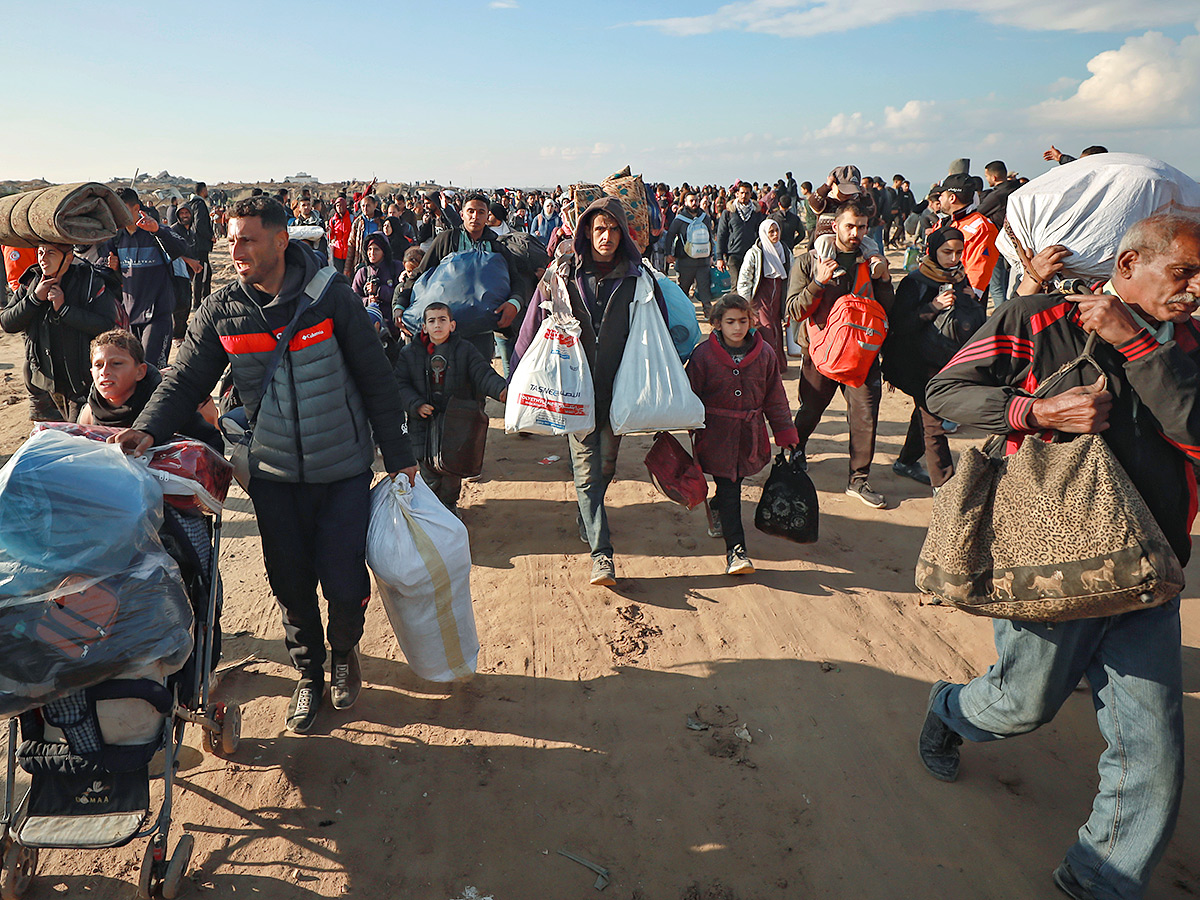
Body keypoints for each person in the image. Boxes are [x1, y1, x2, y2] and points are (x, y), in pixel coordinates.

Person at [919, 214, 1200, 900]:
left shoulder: (1188, 342)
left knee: (1154, 757)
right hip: (1049, 561)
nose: (1195, 291)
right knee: (1021, 705)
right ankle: (950, 710)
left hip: (1148, 570)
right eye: (1184, 272)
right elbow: (945, 394)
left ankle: (1096, 878)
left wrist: (1135, 344)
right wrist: (1035, 413)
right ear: (1129, 264)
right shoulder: (1042, 318)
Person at [109, 196, 417, 735]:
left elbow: (376, 377)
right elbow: (183, 381)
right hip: (272, 476)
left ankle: (344, 654)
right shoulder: (222, 310)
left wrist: (399, 457)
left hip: (342, 468)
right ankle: (309, 677)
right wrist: (149, 428)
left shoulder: (331, 298)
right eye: (232, 237)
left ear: (282, 241)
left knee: (344, 581)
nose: (236, 248)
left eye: (248, 238)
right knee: (290, 582)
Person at [511, 196, 668, 587]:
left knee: (607, 465)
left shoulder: (639, 278)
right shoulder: (562, 275)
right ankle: (602, 554)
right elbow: (532, 325)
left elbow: (658, 328)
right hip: (576, 390)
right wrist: (516, 374)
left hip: (618, 388)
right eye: (600, 229)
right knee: (585, 470)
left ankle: (588, 510)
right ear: (586, 232)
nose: (607, 236)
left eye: (615, 229)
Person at [786, 198, 894, 508]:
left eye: (861, 227)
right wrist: (819, 281)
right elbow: (795, 310)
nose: (855, 233)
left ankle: (858, 480)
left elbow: (887, 311)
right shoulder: (808, 262)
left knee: (865, 417)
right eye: (849, 226)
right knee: (810, 409)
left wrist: (884, 280)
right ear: (835, 226)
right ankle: (795, 448)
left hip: (863, 355)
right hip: (821, 354)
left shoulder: (871, 262)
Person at [686, 293, 797, 576]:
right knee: (730, 485)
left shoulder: (766, 355)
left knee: (731, 485)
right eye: (730, 321)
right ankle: (736, 551)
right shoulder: (702, 356)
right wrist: (687, 421)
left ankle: (719, 507)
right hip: (716, 434)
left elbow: (775, 396)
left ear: (752, 321)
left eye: (743, 321)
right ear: (716, 324)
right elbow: (690, 394)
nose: (737, 327)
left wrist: (784, 430)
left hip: (750, 434)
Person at [882, 227, 984, 490]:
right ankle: (944, 485)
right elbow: (900, 324)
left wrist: (970, 301)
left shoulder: (960, 277)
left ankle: (905, 461)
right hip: (914, 363)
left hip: (945, 362)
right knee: (934, 422)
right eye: (946, 252)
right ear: (932, 251)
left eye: (959, 252)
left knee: (926, 414)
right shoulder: (914, 281)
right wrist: (934, 306)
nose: (953, 258)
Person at [393, 302, 508, 510]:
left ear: (452, 325)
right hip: (423, 427)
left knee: (452, 475)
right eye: (432, 321)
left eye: (442, 320)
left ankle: (449, 507)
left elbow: (482, 374)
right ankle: (434, 514)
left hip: (457, 424)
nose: (437, 325)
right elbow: (400, 384)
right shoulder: (409, 354)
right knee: (430, 475)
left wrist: (502, 390)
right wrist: (416, 404)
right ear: (424, 327)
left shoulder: (465, 350)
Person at [399, 193, 531, 363]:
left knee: (478, 379)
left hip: (480, 332)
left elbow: (516, 281)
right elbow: (419, 275)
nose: (475, 216)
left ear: (487, 216)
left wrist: (515, 303)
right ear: (462, 214)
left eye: (481, 212)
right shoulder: (446, 240)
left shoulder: (497, 247)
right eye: (470, 211)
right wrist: (400, 304)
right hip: (444, 330)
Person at [1, 242, 120, 421]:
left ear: (68, 257)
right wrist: (34, 299)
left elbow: (106, 325)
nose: (43, 258)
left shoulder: (89, 281)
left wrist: (64, 309)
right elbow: (7, 323)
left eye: (51, 253)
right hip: (44, 381)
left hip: (80, 381)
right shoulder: (30, 282)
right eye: (40, 252)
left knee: (78, 434)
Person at [78, 328, 221, 448]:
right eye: (98, 365)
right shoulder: (89, 414)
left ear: (140, 372)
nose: (104, 371)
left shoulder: (171, 406)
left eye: (116, 363)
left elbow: (210, 447)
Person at [106, 188, 189, 368]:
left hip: (158, 315)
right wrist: (112, 266)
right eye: (115, 211)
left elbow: (181, 247)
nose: (118, 216)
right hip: (129, 315)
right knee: (132, 369)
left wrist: (158, 230)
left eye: (123, 210)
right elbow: (104, 269)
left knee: (151, 368)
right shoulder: (116, 238)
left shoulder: (154, 231)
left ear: (136, 208)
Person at [736, 218, 792, 365]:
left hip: (778, 297)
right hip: (761, 298)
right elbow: (745, 280)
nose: (775, 235)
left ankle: (778, 365)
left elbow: (791, 275)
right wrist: (746, 305)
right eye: (771, 232)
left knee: (776, 329)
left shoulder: (784, 251)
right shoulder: (755, 253)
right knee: (765, 329)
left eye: (776, 231)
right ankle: (767, 365)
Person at [936, 173, 999, 300]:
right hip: (937, 289)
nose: (939, 200)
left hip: (960, 295)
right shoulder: (945, 222)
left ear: (952, 198)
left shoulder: (981, 227)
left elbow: (980, 266)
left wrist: (971, 297)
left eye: (941, 195)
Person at [978, 160, 1021, 305]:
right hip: (1019, 242)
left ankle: (1001, 318)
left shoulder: (997, 195)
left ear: (994, 177)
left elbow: (978, 214)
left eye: (987, 176)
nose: (987, 179)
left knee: (997, 287)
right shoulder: (1020, 189)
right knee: (1012, 284)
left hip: (997, 242)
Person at [665, 190, 714, 314]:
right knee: (683, 290)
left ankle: (708, 313)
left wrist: (712, 255)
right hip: (685, 261)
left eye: (696, 200)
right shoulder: (680, 219)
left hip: (703, 260)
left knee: (704, 289)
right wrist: (668, 253)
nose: (694, 203)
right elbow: (670, 236)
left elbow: (710, 237)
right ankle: (681, 314)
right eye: (691, 201)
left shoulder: (705, 218)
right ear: (685, 202)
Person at [716, 182, 765, 290]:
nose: (744, 196)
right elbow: (721, 234)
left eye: (747, 193)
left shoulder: (756, 213)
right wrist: (719, 257)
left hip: (751, 253)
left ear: (750, 194)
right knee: (736, 284)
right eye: (742, 193)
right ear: (737, 194)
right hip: (733, 254)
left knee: (750, 284)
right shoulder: (729, 212)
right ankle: (735, 306)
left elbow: (761, 234)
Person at [186, 182, 215, 313]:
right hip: (200, 245)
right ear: (203, 190)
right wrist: (210, 236)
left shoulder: (191, 204)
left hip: (195, 243)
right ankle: (199, 302)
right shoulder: (200, 204)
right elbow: (199, 225)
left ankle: (202, 299)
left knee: (204, 272)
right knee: (202, 273)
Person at [345, 194, 383, 276]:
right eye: (363, 206)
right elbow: (351, 244)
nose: (365, 208)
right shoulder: (358, 222)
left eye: (368, 205)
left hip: (378, 262)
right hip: (360, 260)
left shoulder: (382, 221)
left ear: (375, 205)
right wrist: (347, 268)